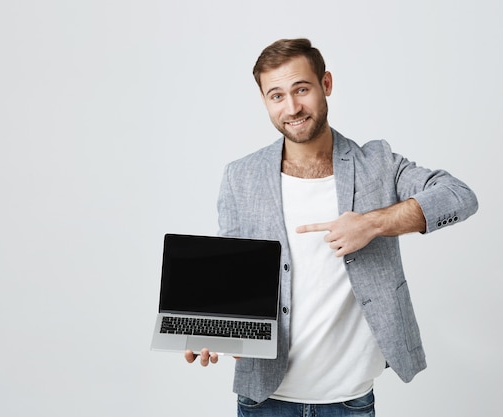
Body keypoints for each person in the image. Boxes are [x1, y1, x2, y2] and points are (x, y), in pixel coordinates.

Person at [184, 38, 478, 416]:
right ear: (264, 100)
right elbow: (231, 272)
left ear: (326, 85)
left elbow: (459, 195)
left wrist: (373, 223)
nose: (291, 107)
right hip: (263, 400)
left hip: (349, 400)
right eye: (276, 95)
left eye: (301, 89)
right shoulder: (240, 176)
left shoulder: (377, 164)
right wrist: (211, 329)